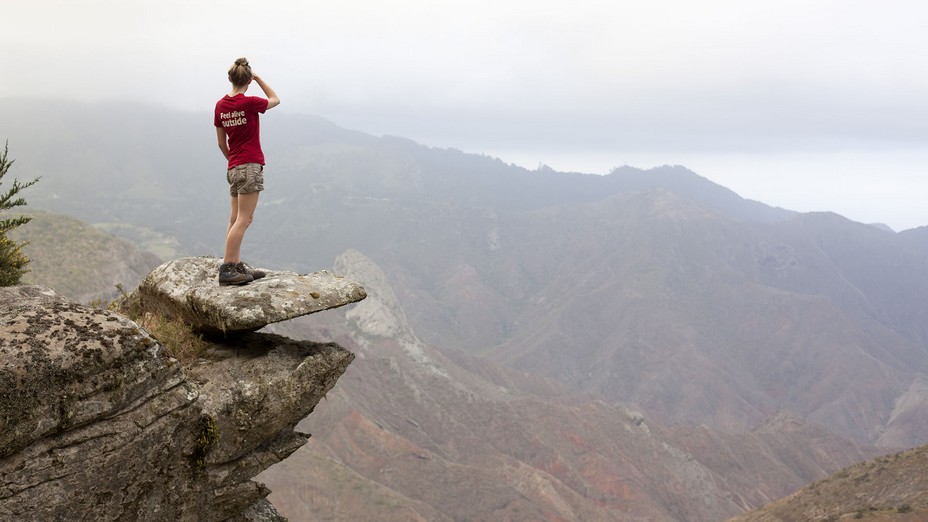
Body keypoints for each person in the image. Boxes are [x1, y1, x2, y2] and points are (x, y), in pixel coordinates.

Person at [214, 57, 280, 285]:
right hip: (250, 165)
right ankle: (228, 268)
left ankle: (234, 262)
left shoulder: (220, 106)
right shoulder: (249, 103)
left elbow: (222, 143)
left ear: (230, 78)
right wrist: (260, 79)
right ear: (248, 81)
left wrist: (233, 161)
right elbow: (275, 99)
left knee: (234, 218)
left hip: (233, 166)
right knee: (245, 218)